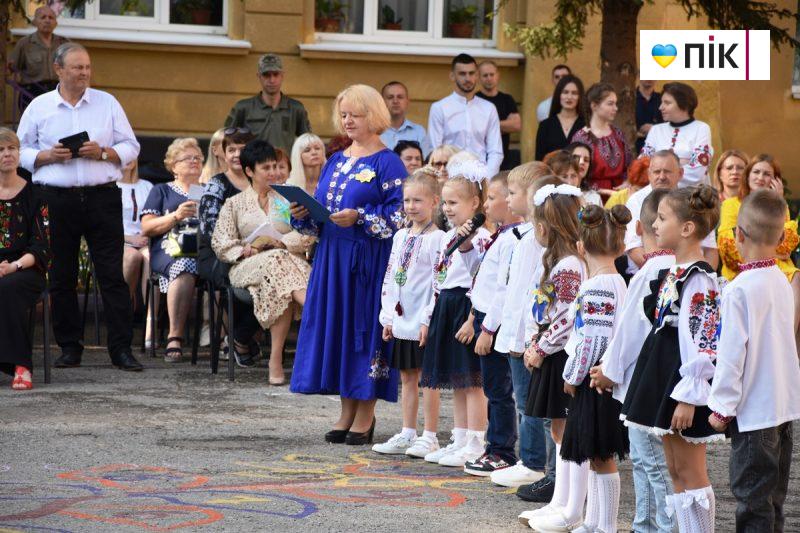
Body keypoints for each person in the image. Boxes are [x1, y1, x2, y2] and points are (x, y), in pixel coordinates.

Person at [289, 84, 407, 445]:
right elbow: (323, 212)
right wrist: (303, 214)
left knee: (362, 330)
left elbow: (401, 215)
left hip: (367, 260)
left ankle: (366, 414)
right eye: (343, 115)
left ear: (373, 116)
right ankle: (345, 411)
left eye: (355, 114)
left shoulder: (388, 161)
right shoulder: (336, 159)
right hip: (331, 257)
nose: (348, 121)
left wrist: (360, 217)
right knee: (339, 329)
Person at [18, 42, 142, 371]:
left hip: (101, 196)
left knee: (112, 275)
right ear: (59, 70)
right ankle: (70, 347)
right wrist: (46, 156)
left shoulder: (107, 103)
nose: (84, 72)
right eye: (77, 67)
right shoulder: (39, 107)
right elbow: (19, 150)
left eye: (87, 67)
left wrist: (102, 152)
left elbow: (131, 145)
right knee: (61, 275)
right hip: (55, 198)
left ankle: (121, 349)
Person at [621, 185, 724, 533]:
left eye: (662, 218)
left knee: (692, 471)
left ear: (687, 228)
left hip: (682, 384)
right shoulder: (672, 273)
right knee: (675, 470)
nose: (654, 225)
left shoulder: (700, 278)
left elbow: (703, 340)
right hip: (664, 376)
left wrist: (689, 396)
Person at [707, 190, 800, 533]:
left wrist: (721, 407)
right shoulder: (782, 280)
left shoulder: (739, 289)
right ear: (780, 237)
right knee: (773, 497)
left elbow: (732, 354)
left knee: (751, 499)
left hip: (753, 415)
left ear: (738, 235)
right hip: (783, 408)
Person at [540, 204, 631, 533]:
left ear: (581, 246)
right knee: (595, 454)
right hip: (603, 376)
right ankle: (593, 522)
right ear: (621, 247)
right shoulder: (617, 281)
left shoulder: (597, 287)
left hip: (594, 379)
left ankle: (604, 525)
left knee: (601, 455)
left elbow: (592, 340)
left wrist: (571, 375)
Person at [591, 189, 676, 533]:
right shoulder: (673, 265)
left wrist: (609, 370)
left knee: (652, 462)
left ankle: (661, 526)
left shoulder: (653, 268)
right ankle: (646, 523)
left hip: (643, 379)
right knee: (647, 461)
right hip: (659, 377)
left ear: (641, 226)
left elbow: (630, 327)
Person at [212, 140, 310, 385]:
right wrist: (249, 248)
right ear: (249, 171)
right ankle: (314, 306)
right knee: (278, 263)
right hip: (247, 266)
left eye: (276, 166)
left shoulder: (288, 200)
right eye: (266, 168)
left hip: (284, 263)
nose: (274, 172)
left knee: (280, 278)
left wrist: (283, 242)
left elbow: (308, 233)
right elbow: (220, 243)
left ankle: (275, 360)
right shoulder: (234, 204)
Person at [518, 183, 587, 528]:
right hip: (547, 351)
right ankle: (560, 499)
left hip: (559, 355)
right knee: (557, 430)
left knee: (564, 429)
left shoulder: (570, 266)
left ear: (548, 227)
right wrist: (533, 339)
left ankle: (569, 503)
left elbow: (567, 317)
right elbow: (543, 308)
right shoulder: (556, 262)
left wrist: (541, 348)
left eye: (537, 224)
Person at [419, 169, 491, 467]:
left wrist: (473, 319)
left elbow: (481, 276)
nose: (447, 208)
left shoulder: (482, 236)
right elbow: (439, 277)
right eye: (445, 202)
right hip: (447, 304)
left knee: (472, 379)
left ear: (474, 203)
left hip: (466, 305)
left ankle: (477, 440)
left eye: (454, 202)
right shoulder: (448, 236)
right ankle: (460, 437)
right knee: (458, 379)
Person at [491, 171, 557, 495]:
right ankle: (531, 461)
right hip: (518, 335)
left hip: (528, 337)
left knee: (534, 406)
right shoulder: (522, 236)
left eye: (513, 192)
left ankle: (535, 464)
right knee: (525, 403)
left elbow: (534, 295)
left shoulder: (536, 241)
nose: (507, 198)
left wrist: (524, 338)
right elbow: (511, 289)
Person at [373, 170, 444, 457]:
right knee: (407, 376)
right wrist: (387, 315)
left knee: (428, 378)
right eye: (407, 200)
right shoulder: (401, 236)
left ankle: (430, 435)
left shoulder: (438, 238)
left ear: (434, 201)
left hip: (423, 318)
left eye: (418, 200)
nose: (411, 206)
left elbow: (439, 281)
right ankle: (407, 431)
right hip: (402, 318)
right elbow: (391, 275)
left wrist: (428, 318)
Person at [464, 171, 525, 477]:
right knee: (493, 388)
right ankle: (495, 447)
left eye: (492, 198)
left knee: (499, 390)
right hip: (485, 318)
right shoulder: (501, 236)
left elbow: (504, 287)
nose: (486, 205)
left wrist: (488, 329)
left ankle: (501, 450)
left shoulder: (515, 240)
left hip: (496, 324)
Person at [716, 154, 800, 350]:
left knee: (796, 278)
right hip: (743, 268)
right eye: (756, 172)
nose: (761, 177)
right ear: (748, 175)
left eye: (767, 174)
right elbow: (729, 247)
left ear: (776, 180)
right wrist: (773, 248)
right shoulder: (731, 205)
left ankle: (787, 344)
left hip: (780, 268)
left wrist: (778, 201)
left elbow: (788, 243)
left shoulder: (780, 206)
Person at [140, 138, 203, 363]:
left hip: (204, 250)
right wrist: (176, 216)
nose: (195, 161)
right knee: (184, 263)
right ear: (174, 166)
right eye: (188, 158)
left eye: (198, 158)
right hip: (170, 249)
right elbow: (147, 227)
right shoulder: (161, 191)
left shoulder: (208, 191)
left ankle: (229, 340)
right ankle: (174, 337)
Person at [0, 128, 49, 390]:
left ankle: (21, 364)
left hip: (26, 267)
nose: (7, 154)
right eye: (0, 150)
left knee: (8, 287)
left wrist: (14, 266)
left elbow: (42, 246)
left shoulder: (36, 195)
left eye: (11, 149)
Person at [624, 150, 718, 272]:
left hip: (691, 273)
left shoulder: (693, 199)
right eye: (657, 172)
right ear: (649, 174)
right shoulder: (636, 201)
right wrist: (666, 275)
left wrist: (705, 275)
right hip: (648, 275)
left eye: (667, 172)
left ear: (680, 173)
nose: (662, 177)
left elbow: (710, 250)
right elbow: (634, 248)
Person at [428, 54, 503, 178]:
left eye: (471, 73)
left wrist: (487, 179)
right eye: (462, 74)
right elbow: (435, 149)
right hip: (449, 177)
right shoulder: (439, 108)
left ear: (477, 75)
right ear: (452, 76)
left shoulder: (489, 108)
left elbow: (495, 151)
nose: (468, 78)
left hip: (481, 176)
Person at [198, 128, 255, 289]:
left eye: (242, 150)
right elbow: (209, 230)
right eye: (231, 150)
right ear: (224, 154)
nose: (237, 155)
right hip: (220, 256)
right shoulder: (216, 184)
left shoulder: (260, 183)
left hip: (256, 251)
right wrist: (241, 249)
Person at [224, 53, 311, 154]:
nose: (272, 80)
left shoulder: (295, 108)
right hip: (253, 167)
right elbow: (226, 140)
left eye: (275, 74)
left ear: (282, 76)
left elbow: (307, 142)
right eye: (266, 75)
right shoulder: (243, 108)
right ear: (259, 76)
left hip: (284, 168)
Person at [641, 82, 713, 188]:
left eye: (667, 103)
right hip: (655, 194)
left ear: (684, 105)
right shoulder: (656, 130)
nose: (661, 107)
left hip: (691, 196)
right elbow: (642, 167)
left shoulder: (701, 128)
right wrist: (682, 162)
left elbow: (697, 172)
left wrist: (659, 170)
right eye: (661, 102)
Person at [571, 83, 631, 197]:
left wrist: (627, 182)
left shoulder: (618, 134)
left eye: (615, 103)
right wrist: (600, 191)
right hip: (591, 197)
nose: (615, 108)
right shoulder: (581, 138)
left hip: (620, 196)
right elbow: (576, 173)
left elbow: (629, 165)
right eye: (610, 104)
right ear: (594, 106)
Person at [8, 6, 69, 112]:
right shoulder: (25, 44)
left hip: (58, 93)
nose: (47, 20)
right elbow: (11, 68)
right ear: (35, 22)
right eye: (43, 17)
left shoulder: (64, 43)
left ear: (56, 23)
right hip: (32, 93)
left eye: (51, 18)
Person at [117, 159, 153, 307]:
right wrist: (130, 238)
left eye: (131, 155)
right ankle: (126, 306)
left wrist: (146, 234)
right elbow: (102, 225)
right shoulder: (110, 187)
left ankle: (150, 317)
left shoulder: (147, 186)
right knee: (132, 257)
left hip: (144, 239)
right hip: (119, 240)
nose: (128, 158)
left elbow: (154, 216)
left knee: (151, 257)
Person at [476, 61, 521, 170]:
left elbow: (516, 125)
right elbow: (475, 126)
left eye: (492, 74)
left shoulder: (507, 99)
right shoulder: (474, 99)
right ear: (478, 77)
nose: (489, 78)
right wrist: (503, 126)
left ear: (497, 75)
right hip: (478, 160)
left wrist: (489, 126)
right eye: (485, 75)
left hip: (503, 160)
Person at [535, 75, 586, 161]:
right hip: (550, 174)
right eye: (565, 92)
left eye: (574, 93)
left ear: (580, 97)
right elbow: (539, 160)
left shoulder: (586, 126)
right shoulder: (545, 125)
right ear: (559, 95)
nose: (569, 97)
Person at [379, 81, 432, 157]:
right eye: (390, 97)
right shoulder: (374, 132)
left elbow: (425, 161)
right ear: (382, 102)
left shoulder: (419, 132)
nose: (395, 101)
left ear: (407, 102)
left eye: (400, 97)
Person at [635, 80, 663, 154]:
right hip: (633, 146)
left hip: (657, 148)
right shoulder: (629, 98)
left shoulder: (662, 99)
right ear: (639, 75)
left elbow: (670, 123)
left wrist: (654, 128)